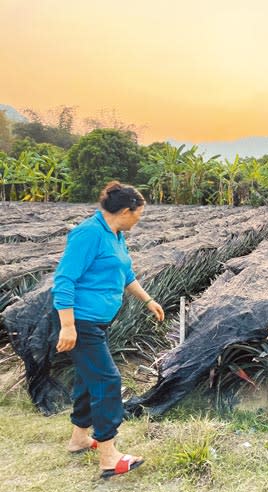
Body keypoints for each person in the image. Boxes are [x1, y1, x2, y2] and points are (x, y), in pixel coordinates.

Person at [52, 181, 165, 479]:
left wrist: (148, 300)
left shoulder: (115, 234)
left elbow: (125, 273)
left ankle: (79, 438)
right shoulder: (88, 234)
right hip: (81, 322)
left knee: (89, 380)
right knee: (107, 381)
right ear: (126, 211)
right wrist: (67, 326)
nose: (139, 220)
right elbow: (64, 280)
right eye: (138, 214)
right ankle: (109, 457)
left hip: (97, 322)